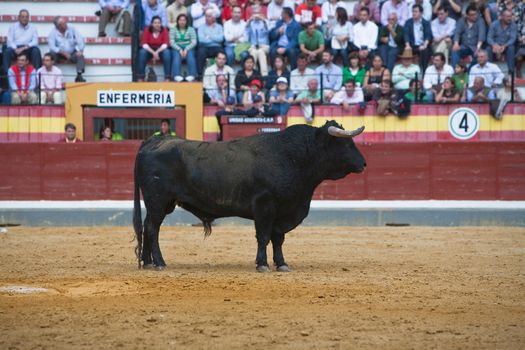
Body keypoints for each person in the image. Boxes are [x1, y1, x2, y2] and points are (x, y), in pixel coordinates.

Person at [3, 9, 41, 76]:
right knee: (7, 51)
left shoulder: (33, 27)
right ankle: (6, 75)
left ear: (28, 18)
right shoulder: (13, 27)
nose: (25, 19)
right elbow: (9, 41)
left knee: (36, 50)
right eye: (23, 17)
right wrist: (15, 49)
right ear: (19, 17)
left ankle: (37, 75)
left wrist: (24, 48)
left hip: (27, 49)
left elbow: (35, 42)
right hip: (15, 49)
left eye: (26, 17)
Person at [48, 16, 86, 82]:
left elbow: (80, 39)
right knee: (50, 55)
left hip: (72, 52)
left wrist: (81, 50)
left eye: (65, 22)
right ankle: (50, 75)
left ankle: (79, 76)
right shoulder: (52, 33)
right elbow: (51, 47)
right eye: (64, 23)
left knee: (80, 56)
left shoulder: (72, 28)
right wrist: (63, 53)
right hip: (59, 54)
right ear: (58, 26)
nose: (66, 24)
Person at [137, 16, 171, 81]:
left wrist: (157, 52)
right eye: (155, 23)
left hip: (160, 49)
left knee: (167, 53)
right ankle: (141, 77)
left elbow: (166, 44)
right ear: (152, 24)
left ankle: (167, 77)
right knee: (142, 52)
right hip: (149, 49)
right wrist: (153, 53)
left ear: (161, 24)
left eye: (158, 23)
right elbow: (144, 43)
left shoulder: (164, 30)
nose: (157, 24)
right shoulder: (147, 30)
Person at [403, 4, 432, 73]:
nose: (414, 13)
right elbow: (405, 34)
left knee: (425, 52)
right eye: (413, 11)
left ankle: (423, 72)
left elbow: (428, 35)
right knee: (407, 51)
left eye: (416, 11)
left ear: (421, 13)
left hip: (423, 45)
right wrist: (407, 45)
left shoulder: (426, 23)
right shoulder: (408, 22)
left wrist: (424, 45)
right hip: (412, 46)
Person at [196, 9, 225, 77]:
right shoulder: (201, 27)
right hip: (205, 47)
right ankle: (199, 75)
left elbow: (220, 39)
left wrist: (209, 36)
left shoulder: (219, 27)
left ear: (213, 17)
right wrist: (214, 38)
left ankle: (222, 73)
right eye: (206, 16)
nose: (207, 18)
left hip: (217, 47)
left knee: (222, 53)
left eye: (209, 16)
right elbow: (201, 40)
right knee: (200, 52)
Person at [170, 14, 198, 82]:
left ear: (186, 21)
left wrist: (186, 49)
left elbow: (194, 42)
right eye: (180, 20)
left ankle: (192, 75)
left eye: (184, 20)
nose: (182, 22)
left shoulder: (191, 29)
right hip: (176, 47)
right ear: (177, 21)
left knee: (190, 55)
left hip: (189, 47)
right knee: (176, 56)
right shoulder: (173, 30)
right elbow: (172, 42)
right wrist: (180, 49)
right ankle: (176, 76)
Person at [246, 5, 270, 75]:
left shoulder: (265, 22)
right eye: (254, 13)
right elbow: (245, 34)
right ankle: (253, 74)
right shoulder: (250, 23)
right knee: (253, 53)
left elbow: (269, 31)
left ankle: (264, 76)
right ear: (252, 14)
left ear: (261, 13)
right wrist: (249, 22)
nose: (256, 15)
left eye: (258, 13)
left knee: (260, 52)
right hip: (252, 46)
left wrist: (264, 21)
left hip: (264, 46)